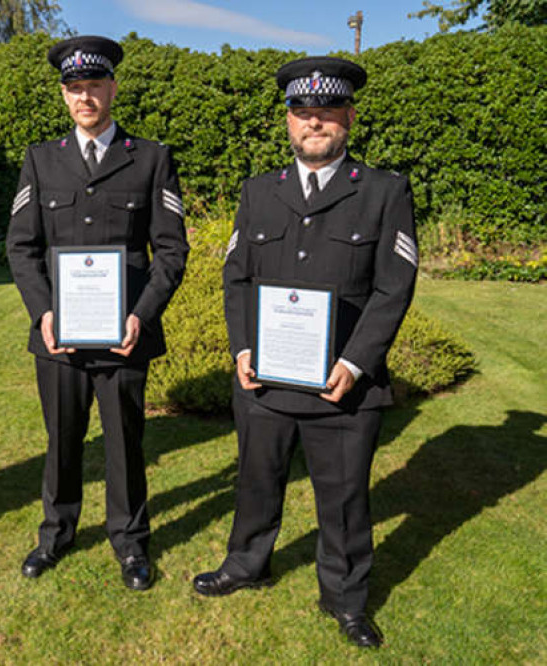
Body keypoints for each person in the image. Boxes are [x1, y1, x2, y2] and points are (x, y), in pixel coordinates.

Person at [192, 57, 418, 648]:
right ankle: (246, 563)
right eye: (302, 113)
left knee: (344, 499)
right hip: (264, 378)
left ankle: (345, 598)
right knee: (255, 482)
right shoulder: (259, 191)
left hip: (344, 383)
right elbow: (236, 276)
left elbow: (395, 287)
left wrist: (354, 363)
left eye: (325, 113)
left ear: (348, 117)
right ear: (287, 122)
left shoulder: (383, 191)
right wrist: (241, 347)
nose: (313, 123)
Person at [7, 36, 189, 591]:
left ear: (112, 88)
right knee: (62, 441)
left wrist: (141, 314)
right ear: (65, 96)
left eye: (94, 85)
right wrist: (43, 312)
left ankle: (131, 544)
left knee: (124, 443)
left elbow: (172, 249)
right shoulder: (41, 159)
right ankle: (55, 534)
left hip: (123, 335)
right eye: (74, 88)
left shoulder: (151, 158)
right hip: (59, 336)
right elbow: (21, 246)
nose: (84, 96)